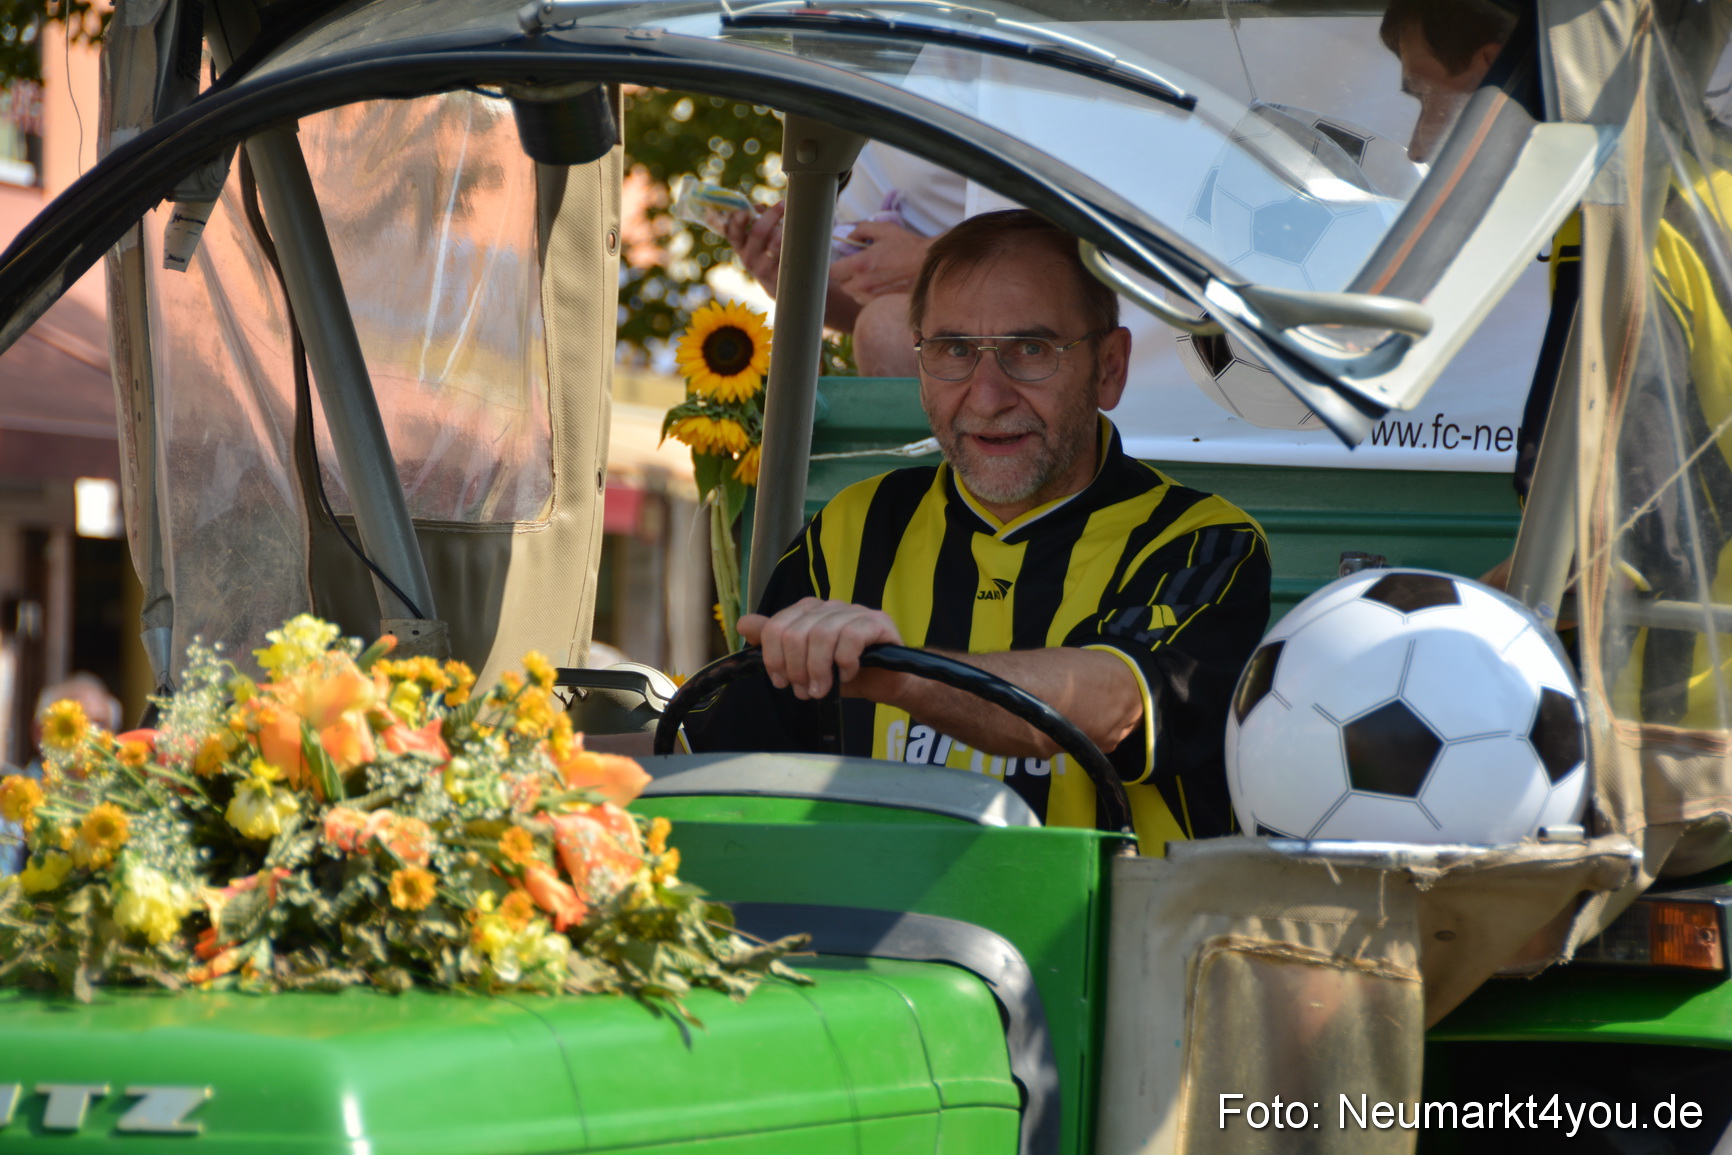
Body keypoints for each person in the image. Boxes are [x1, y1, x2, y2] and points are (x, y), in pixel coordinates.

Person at [684, 210, 1272, 850]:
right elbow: (724, 765)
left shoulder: (1202, 542)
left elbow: (1110, 706)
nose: (987, 396)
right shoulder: (849, 530)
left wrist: (902, 677)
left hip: (1112, 943)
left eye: (1031, 350)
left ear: (1109, 368)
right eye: (954, 350)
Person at [0, 674, 123, 876]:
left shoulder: (120, 806)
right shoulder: (10, 800)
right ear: (39, 733)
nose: (90, 737)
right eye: (74, 726)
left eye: (100, 725)